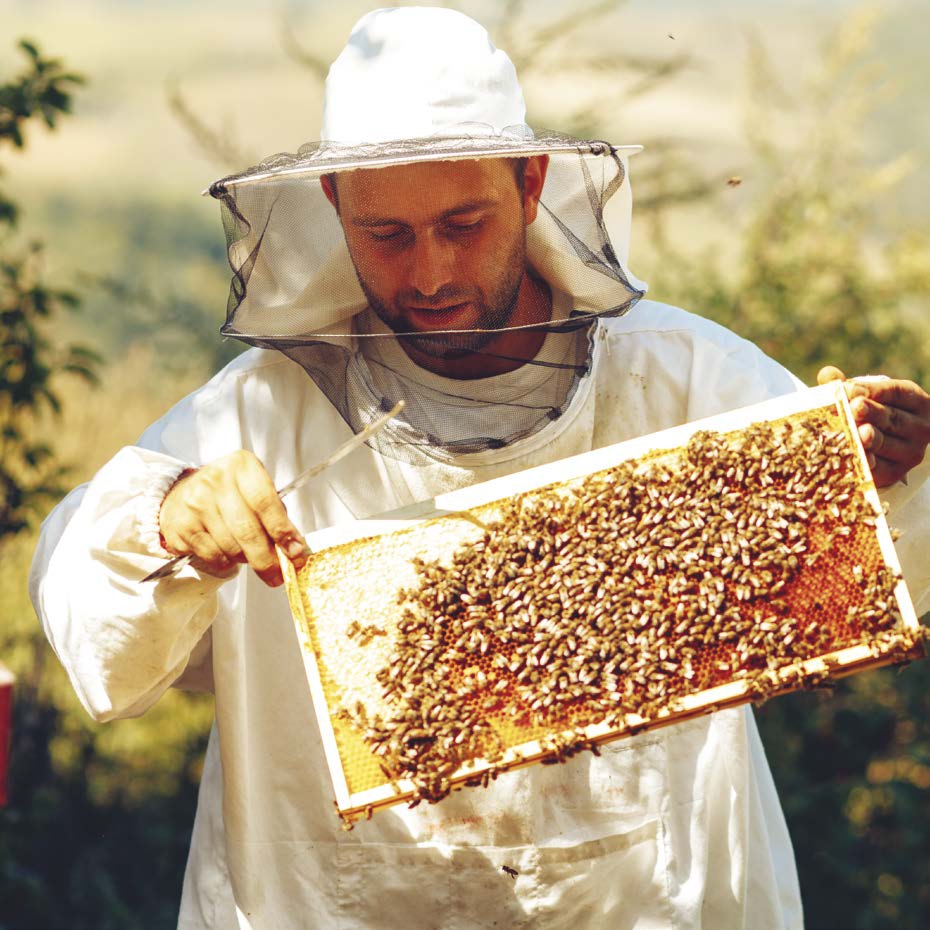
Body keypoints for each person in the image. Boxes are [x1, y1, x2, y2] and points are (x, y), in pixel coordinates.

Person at [30, 8, 930, 929]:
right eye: (387, 234)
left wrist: (890, 472)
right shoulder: (261, 413)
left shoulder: (687, 378)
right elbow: (84, 613)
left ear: (531, 182)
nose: (429, 273)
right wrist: (170, 516)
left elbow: (889, 568)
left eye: (464, 223)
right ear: (336, 204)